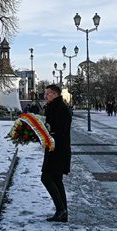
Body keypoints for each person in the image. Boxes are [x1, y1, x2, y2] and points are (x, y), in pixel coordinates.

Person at [41, 84, 72, 223]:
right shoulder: (54, 107)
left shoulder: (61, 109)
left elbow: (61, 131)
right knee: (57, 180)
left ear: (55, 94)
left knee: (46, 178)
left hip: (58, 150)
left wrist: (47, 134)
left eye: (47, 93)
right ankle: (63, 213)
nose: (45, 96)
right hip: (54, 148)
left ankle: (61, 210)